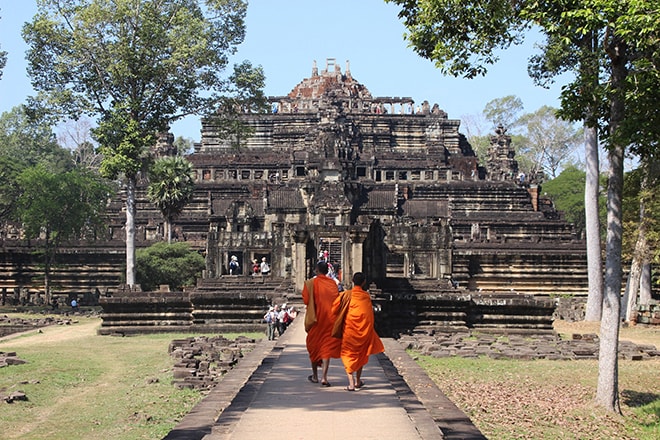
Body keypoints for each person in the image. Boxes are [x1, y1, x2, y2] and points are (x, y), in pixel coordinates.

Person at [332, 272, 384, 391]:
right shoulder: (366, 296)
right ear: (364, 282)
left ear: (352, 281)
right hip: (363, 331)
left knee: (347, 354)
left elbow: (334, 308)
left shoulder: (345, 295)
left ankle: (352, 383)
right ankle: (358, 381)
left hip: (349, 331)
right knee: (361, 354)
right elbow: (369, 316)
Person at [302, 260, 341, 387]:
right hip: (330, 320)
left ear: (317, 270)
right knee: (326, 348)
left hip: (316, 319)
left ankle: (315, 376)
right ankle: (324, 377)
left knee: (314, 346)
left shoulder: (310, 283)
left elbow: (306, 300)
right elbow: (336, 301)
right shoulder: (333, 284)